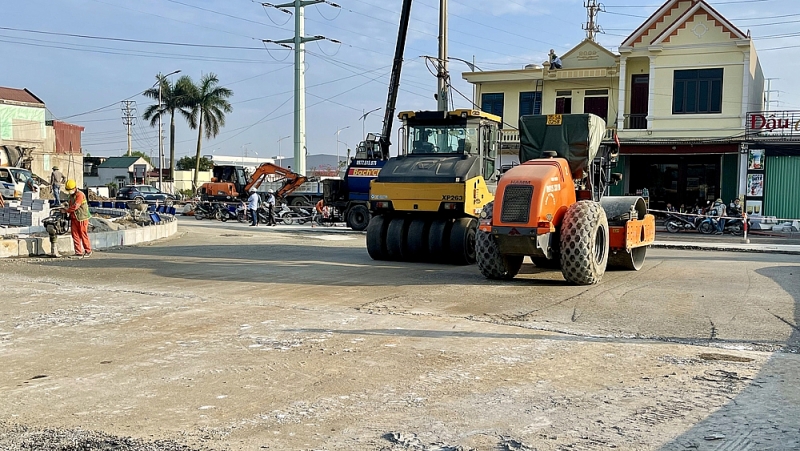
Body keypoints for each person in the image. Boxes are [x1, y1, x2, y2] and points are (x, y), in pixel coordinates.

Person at [62, 179, 92, 258]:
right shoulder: (71, 196)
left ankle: (88, 250)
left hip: (82, 217)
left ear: (74, 188)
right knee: (75, 235)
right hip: (74, 217)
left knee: (83, 234)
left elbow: (76, 206)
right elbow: (71, 205)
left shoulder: (80, 195)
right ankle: (78, 252)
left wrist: (66, 210)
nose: (69, 191)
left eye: (70, 190)